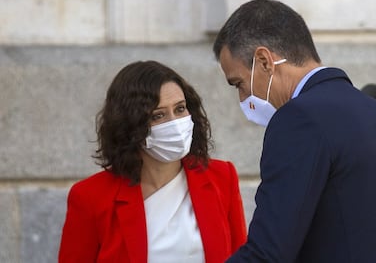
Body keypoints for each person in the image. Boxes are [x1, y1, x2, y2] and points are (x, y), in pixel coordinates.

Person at [213, 0, 376, 263]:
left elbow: (267, 253)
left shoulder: (298, 119)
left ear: (264, 61)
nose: (242, 97)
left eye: (238, 83)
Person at [58, 60, 247, 263]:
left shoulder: (221, 177)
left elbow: (242, 257)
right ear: (131, 126)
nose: (174, 122)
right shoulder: (89, 197)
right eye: (158, 115)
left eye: (180, 108)